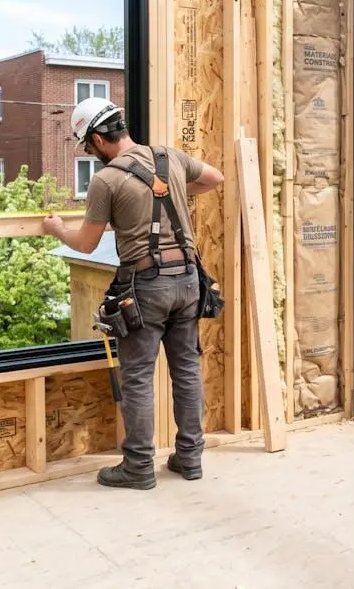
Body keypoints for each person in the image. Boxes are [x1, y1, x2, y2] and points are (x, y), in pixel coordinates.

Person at [43, 97, 225, 490]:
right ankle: (190, 458)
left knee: (139, 377)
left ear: (96, 138)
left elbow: (87, 243)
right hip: (190, 280)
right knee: (188, 370)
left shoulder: (105, 180)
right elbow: (214, 179)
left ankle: (139, 467)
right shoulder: (167, 157)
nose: (90, 154)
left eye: (88, 148)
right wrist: (172, 189)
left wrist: (57, 228)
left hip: (147, 286)